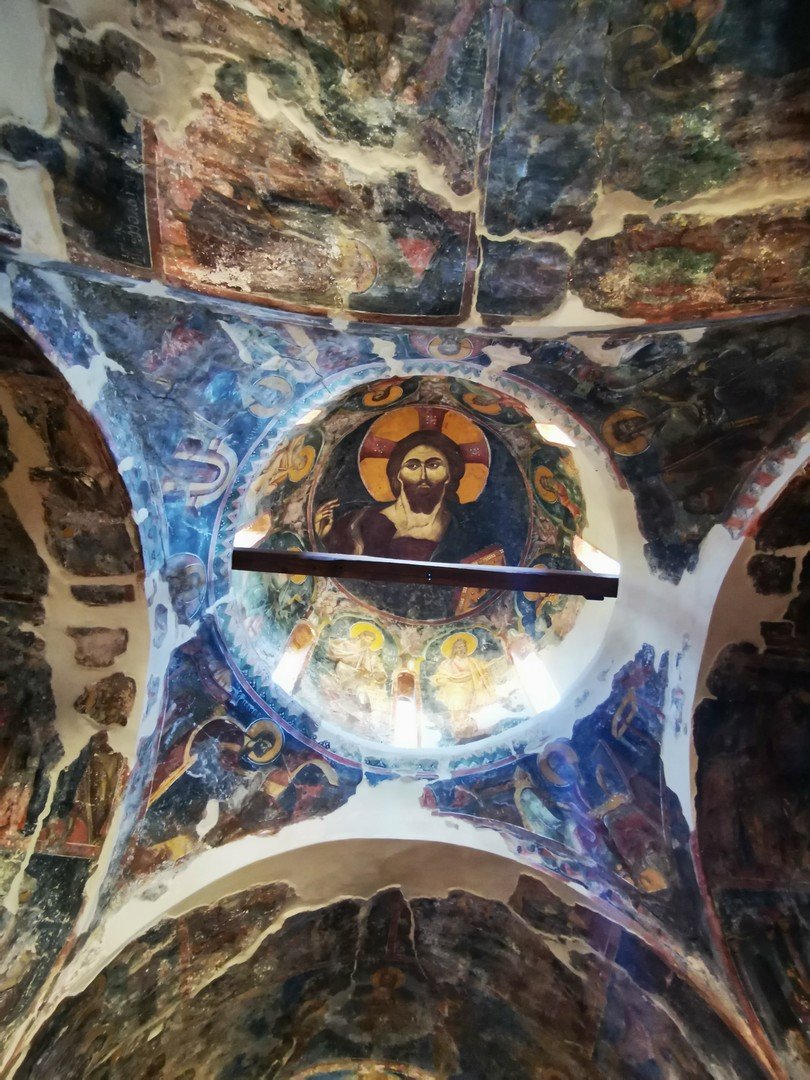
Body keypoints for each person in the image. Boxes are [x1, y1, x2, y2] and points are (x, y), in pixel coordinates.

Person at [314, 429, 501, 564]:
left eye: (433, 465)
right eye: (412, 466)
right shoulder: (357, 523)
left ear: (449, 474)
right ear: (398, 474)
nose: (423, 475)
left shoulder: (466, 530)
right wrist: (324, 539)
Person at [432, 636, 495, 740]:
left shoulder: (473, 661)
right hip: (454, 690)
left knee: (467, 709)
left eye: (464, 646)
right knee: (457, 707)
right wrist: (448, 679)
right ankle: (460, 730)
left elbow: (483, 669)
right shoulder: (447, 663)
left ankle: (470, 728)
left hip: (470, 687)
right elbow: (439, 677)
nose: (462, 649)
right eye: (459, 647)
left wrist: (486, 671)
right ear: (454, 649)